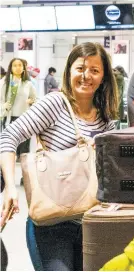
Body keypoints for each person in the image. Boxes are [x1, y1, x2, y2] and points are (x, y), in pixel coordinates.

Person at [0, 42, 119, 271]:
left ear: (103, 76)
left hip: (94, 224)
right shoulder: (55, 104)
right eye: (80, 69)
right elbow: (8, 136)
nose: (86, 76)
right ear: (69, 71)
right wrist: (11, 189)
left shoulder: (107, 119)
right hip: (51, 224)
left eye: (94, 70)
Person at [0, 58, 36, 159]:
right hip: (9, 119)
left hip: (25, 119)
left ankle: (24, 171)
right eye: (15, 65)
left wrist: (31, 101)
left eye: (20, 65)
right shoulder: (4, 83)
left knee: (24, 149)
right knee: (10, 147)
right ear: (10, 68)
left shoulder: (28, 84)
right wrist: (4, 106)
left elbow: (35, 98)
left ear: (24, 68)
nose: (17, 67)